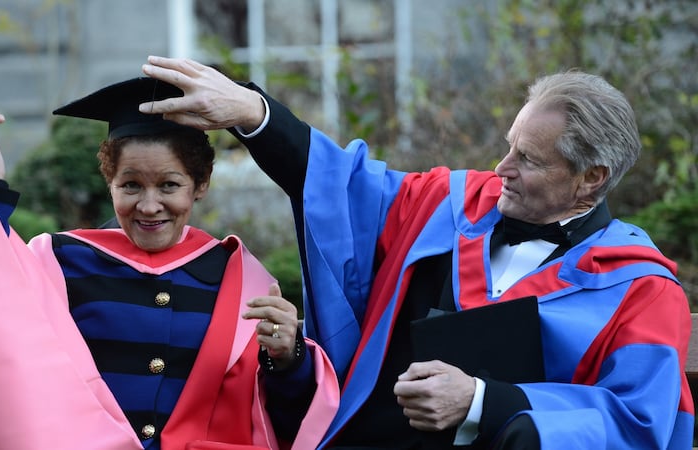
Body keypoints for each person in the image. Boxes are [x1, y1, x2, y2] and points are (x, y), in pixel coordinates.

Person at [134, 56, 694, 449]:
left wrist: (483, 401)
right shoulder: (447, 205)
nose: (502, 170)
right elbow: (339, 183)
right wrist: (254, 116)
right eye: (508, 147)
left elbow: (637, 421)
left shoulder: (638, 289)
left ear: (591, 180)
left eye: (528, 159)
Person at [0, 76, 339, 450]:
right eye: (130, 185)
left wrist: (288, 359)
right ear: (109, 181)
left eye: (169, 185)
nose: (149, 206)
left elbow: (277, 420)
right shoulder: (60, 262)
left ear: (201, 185)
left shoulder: (237, 278)